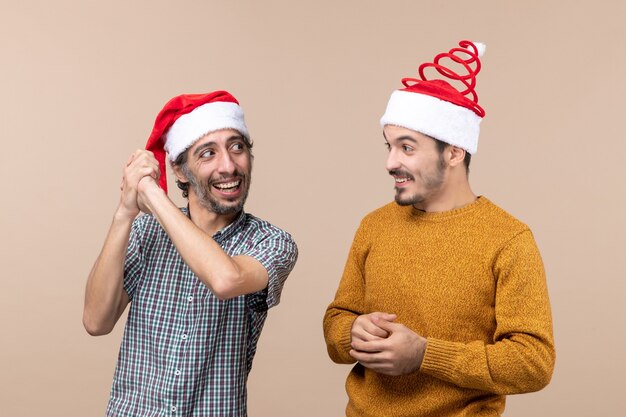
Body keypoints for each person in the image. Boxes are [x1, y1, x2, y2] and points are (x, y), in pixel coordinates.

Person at [323, 41, 555, 417]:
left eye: (407, 148)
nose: (390, 162)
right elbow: (338, 320)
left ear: (454, 152)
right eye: (389, 146)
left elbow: (534, 362)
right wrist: (350, 333)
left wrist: (425, 355)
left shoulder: (508, 239)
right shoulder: (374, 226)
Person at [83, 91, 298, 417]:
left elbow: (226, 279)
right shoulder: (146, 232)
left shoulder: (272, 241)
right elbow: (96, 321)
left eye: (237, 147)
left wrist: (151, 194)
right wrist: (125, 214)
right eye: (207, 153)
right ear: (180, 171)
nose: (228, 166)